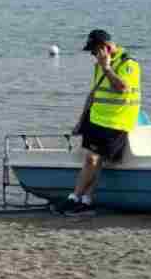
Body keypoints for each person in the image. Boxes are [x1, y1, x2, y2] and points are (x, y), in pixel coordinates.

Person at [55, 29, 141, 215]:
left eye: (94, 51)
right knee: (95, 160)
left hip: (115, 122)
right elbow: (94, 94)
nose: (93, 55)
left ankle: (76, 198)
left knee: (92, 158)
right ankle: (86, 201)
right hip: (97, 120)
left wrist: (107, 67)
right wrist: (81, 120)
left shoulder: (128, 64)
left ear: (105, 48)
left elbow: (122, 88)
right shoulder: (100, 65)